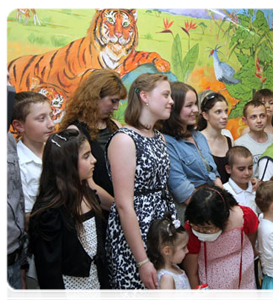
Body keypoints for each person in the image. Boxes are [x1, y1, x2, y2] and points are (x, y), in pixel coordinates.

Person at [106, 73, 176, 300]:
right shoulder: (124, 139)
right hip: (135, 240)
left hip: (159, 233)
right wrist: (142, 260)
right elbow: (125, 205)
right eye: (165, 94)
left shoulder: (159, 137)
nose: (171, 101)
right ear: (144, 97)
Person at [28, 129, 110, 300]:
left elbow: (98, 253)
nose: (94, 160)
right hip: (68, 293)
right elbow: (49, 271)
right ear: (67, 163)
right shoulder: (49, 212)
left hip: (93, 289)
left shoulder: (89, 196)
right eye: (86, 156)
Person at [59, 69, 127, 211]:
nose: (116, 107)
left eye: (118, 102)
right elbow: (86, 184)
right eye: (113, 101)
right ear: (95, 96)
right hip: (98, 211)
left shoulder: (116, 125)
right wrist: (120, 209)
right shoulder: (75, 131)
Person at [11, 91, 55, 299]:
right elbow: (26, 218)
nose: (51, 124)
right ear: (19, 126)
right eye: (41, 118)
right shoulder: (18, 164)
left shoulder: (55, 153)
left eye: (51, 115)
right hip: (33, 254)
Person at [160, 82, 222, 221]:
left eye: (195, 104)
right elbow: (182, 191)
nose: (195, 109)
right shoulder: (167, 142)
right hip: (193, 213)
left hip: (213, 204)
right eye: (189, 106)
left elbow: (214, 174)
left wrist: (225, 202)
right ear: (174, 109)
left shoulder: (198, 136)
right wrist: (213, 210)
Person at [182, 186, 258, 299]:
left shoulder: (245, 217)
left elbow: (250, 245)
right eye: (196, 227)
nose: (201, 231)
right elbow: (192, 272)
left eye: (208, 228)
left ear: (224, 219)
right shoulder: (190, 231)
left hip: (244, 288)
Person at [146, 212, 213, 300]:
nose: (187, 251)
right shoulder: (167, 278)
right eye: (183, 248)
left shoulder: (175, 269)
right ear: (167, 251)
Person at [5, 66, 26, 300]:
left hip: (11, 262)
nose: (8, 86)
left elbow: (16, 198)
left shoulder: (8, 138)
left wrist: (21, 267)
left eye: (8, 79)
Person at [197, 91, 232, 184]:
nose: (224, 116)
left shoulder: (229, 141)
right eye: (218, 112)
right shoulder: (196, 140)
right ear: (205, 115)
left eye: (226, 111)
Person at [234, 100, 273, 179]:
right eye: (253, 117)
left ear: (267, 117)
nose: (259, 120)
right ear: (245, 120)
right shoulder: (239, 145)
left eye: (262, 116)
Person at [223, 146, 258, 215]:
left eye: (250, 168)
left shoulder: (256, 188)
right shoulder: (224, 192)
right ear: (228, 169)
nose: (247, 173)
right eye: (241, 169)